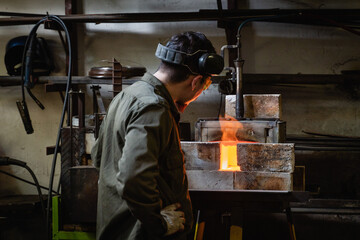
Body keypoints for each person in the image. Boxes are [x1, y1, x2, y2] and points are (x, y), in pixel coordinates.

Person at [91, 31, 224, 240]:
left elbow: (99, 158)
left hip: (118, 229)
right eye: (205, 87)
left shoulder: (128, 95)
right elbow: (133, 178)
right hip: (141, 233)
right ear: (195, 82)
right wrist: (159, 223)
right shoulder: (154, 108)